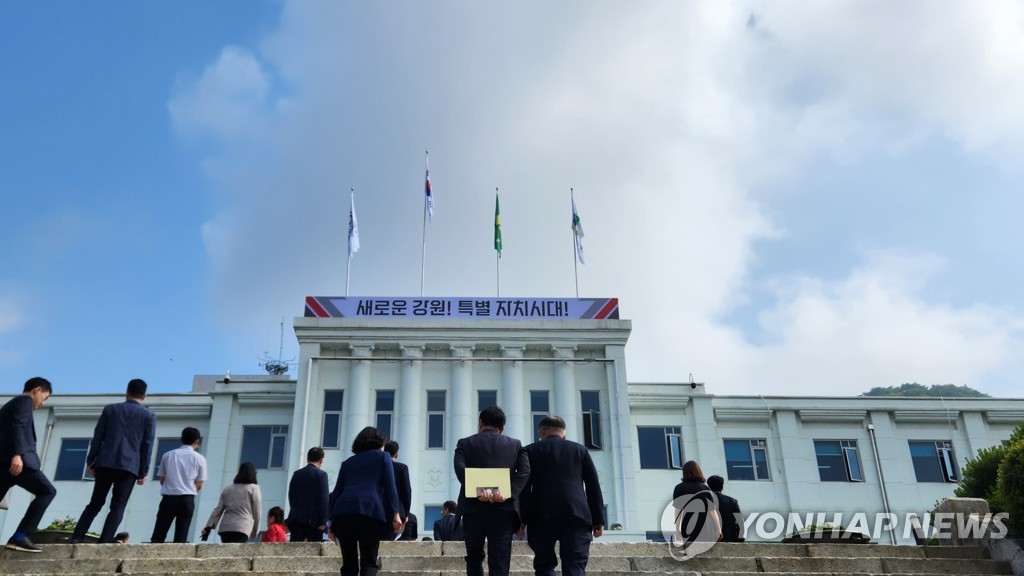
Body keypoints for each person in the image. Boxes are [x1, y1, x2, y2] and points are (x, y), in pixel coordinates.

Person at [72, 378, 157, 544]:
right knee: (118, 506)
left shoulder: (110, 410)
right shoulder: (149, 416)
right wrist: (143, 471)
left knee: (95, 502)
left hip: (105, 462)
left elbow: (98, 436)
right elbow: (147, 445)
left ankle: (77, 537)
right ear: (144, 396)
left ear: (126, 392)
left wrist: (91, 460)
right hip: (129, 467)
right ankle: (104, 541)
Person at [521, 416, 604, 576]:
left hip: (541, 515)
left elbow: (524, 489)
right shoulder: (580, 450)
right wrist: (598, 519)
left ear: (542, 431)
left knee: (544, 565)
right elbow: (593, 485)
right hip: (576, 514)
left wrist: (522, 520)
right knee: (575, 565)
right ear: (563, 435)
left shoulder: (530, 450)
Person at [454, 406, 531, 576]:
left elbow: (460, 469)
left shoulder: (464, 443)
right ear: (502, 428)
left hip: (473, 509)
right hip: (503, 510)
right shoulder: (515, 445)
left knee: (474, 557)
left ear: (480, 423)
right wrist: (508, 492)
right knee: (500, 560)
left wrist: (479, 490)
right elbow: (525, 471)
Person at [329, 426, 402, 576]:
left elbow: (336, 492)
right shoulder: (383, 457)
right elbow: (390, 486)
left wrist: (330, 522)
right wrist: (396, 513)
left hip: (343, 512)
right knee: (369, 562)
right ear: (380, 443)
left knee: (348, 565)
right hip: (370, 511)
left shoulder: (348, 462)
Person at [0, 377, 56, 553]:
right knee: (47, 491)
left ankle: (18, 538)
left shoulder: (10, 405)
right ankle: (20, 536)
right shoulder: (24, 401)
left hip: (4, 464)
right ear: (37, 390)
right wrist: (17, 454)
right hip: (18, 462)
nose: (41, 403)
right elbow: (19, 425)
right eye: (44, 398)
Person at [150, 427, 207, 543]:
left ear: (181, 439)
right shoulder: (200, 458)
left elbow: (161, 478)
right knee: (181, 536)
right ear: (197, 441)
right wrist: (189, 490)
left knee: (159, 533)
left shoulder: (168, 455)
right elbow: (200, 484)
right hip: (187, 499)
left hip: (169, 497)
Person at [202, 461, 262, 543]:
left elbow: (218, 510)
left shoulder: (227, 488)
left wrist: (208, 526)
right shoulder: (254, 488)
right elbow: (257, 512)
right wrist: (256, 530)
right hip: (242, 527)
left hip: (225, 528)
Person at [287, 446, 329, 542]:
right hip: (314, 522)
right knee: (313, 552)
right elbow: (324, 499)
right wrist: (323, 520)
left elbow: (291, 495)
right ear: (321, 460)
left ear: (307, 458)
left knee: (295, 551)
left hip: (296, 519)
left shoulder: (296, 474)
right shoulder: (321, 475)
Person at [671, 460, 721, 541]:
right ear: (698, 471)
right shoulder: (705, 488)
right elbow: (712, 511)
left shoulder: (679, 488)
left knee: (690, 550)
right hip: (705, 523)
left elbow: (678, 510)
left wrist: (677, 529)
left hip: (687, 523)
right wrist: (718, 529)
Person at [384, 440, 412, 540]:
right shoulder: (402, 468)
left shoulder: (378, 467)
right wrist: (406, 513)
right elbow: (407, 492)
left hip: (378, 510)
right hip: (397, 511)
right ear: (397, 453)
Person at [706, 475, 742, 542]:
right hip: (730, 538)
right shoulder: (732, 501)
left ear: (708, 487)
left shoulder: (705, 501)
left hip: (709, 538)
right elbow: (740, 522)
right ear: (722, 487)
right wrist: (740, 537)